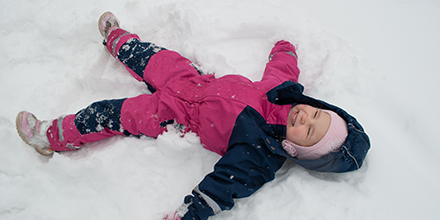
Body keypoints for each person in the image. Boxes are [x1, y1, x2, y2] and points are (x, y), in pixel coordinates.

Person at [15, 12, 370, 220]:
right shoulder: (281, 91)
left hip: (174, 116)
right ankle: (118, 40)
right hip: (193, 79)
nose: (304, 119)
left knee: (112, 113)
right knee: (154, 57)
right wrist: (284, 47)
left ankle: (50, 137)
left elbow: (223, 188)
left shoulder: (259, 155)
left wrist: (191, 213)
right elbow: (282, 67)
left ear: (297, 150)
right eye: (314, 115)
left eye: (308, 132)